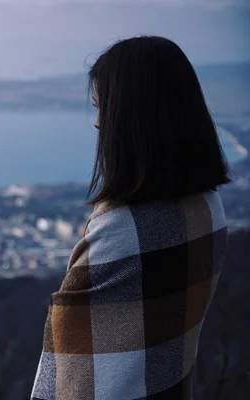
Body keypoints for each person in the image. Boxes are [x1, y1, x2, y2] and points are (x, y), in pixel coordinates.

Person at [31, 36, 230, 400]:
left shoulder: (122, 229)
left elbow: (68, 375)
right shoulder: (209, 207)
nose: (97, 123)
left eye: (102, 107)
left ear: (135, 117)